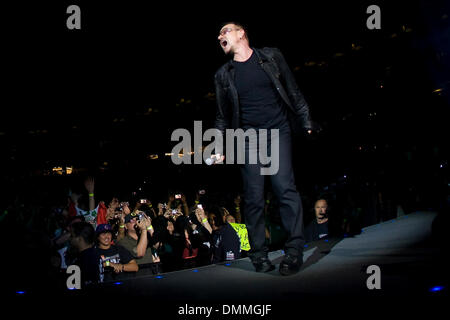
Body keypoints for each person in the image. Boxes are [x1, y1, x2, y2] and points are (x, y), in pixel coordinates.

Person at [213, 22, 320, 275]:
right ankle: (258, 255)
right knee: (253, 198)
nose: (220, 36)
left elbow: (293, 90)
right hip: (248, 139)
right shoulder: (223, 75)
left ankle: (294, 251)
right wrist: (219, 145)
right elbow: (221, 116)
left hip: (277, 131)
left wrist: (305, 120)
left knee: (284, 188)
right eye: (219, 34)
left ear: (241, 33)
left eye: (225, 31)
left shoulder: (271, 56)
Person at [69, 221, 99, 286]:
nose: (70, 239)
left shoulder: (79, 262)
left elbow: (72, 287)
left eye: (72, 236)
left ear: (80, 239)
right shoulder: (98, 255)